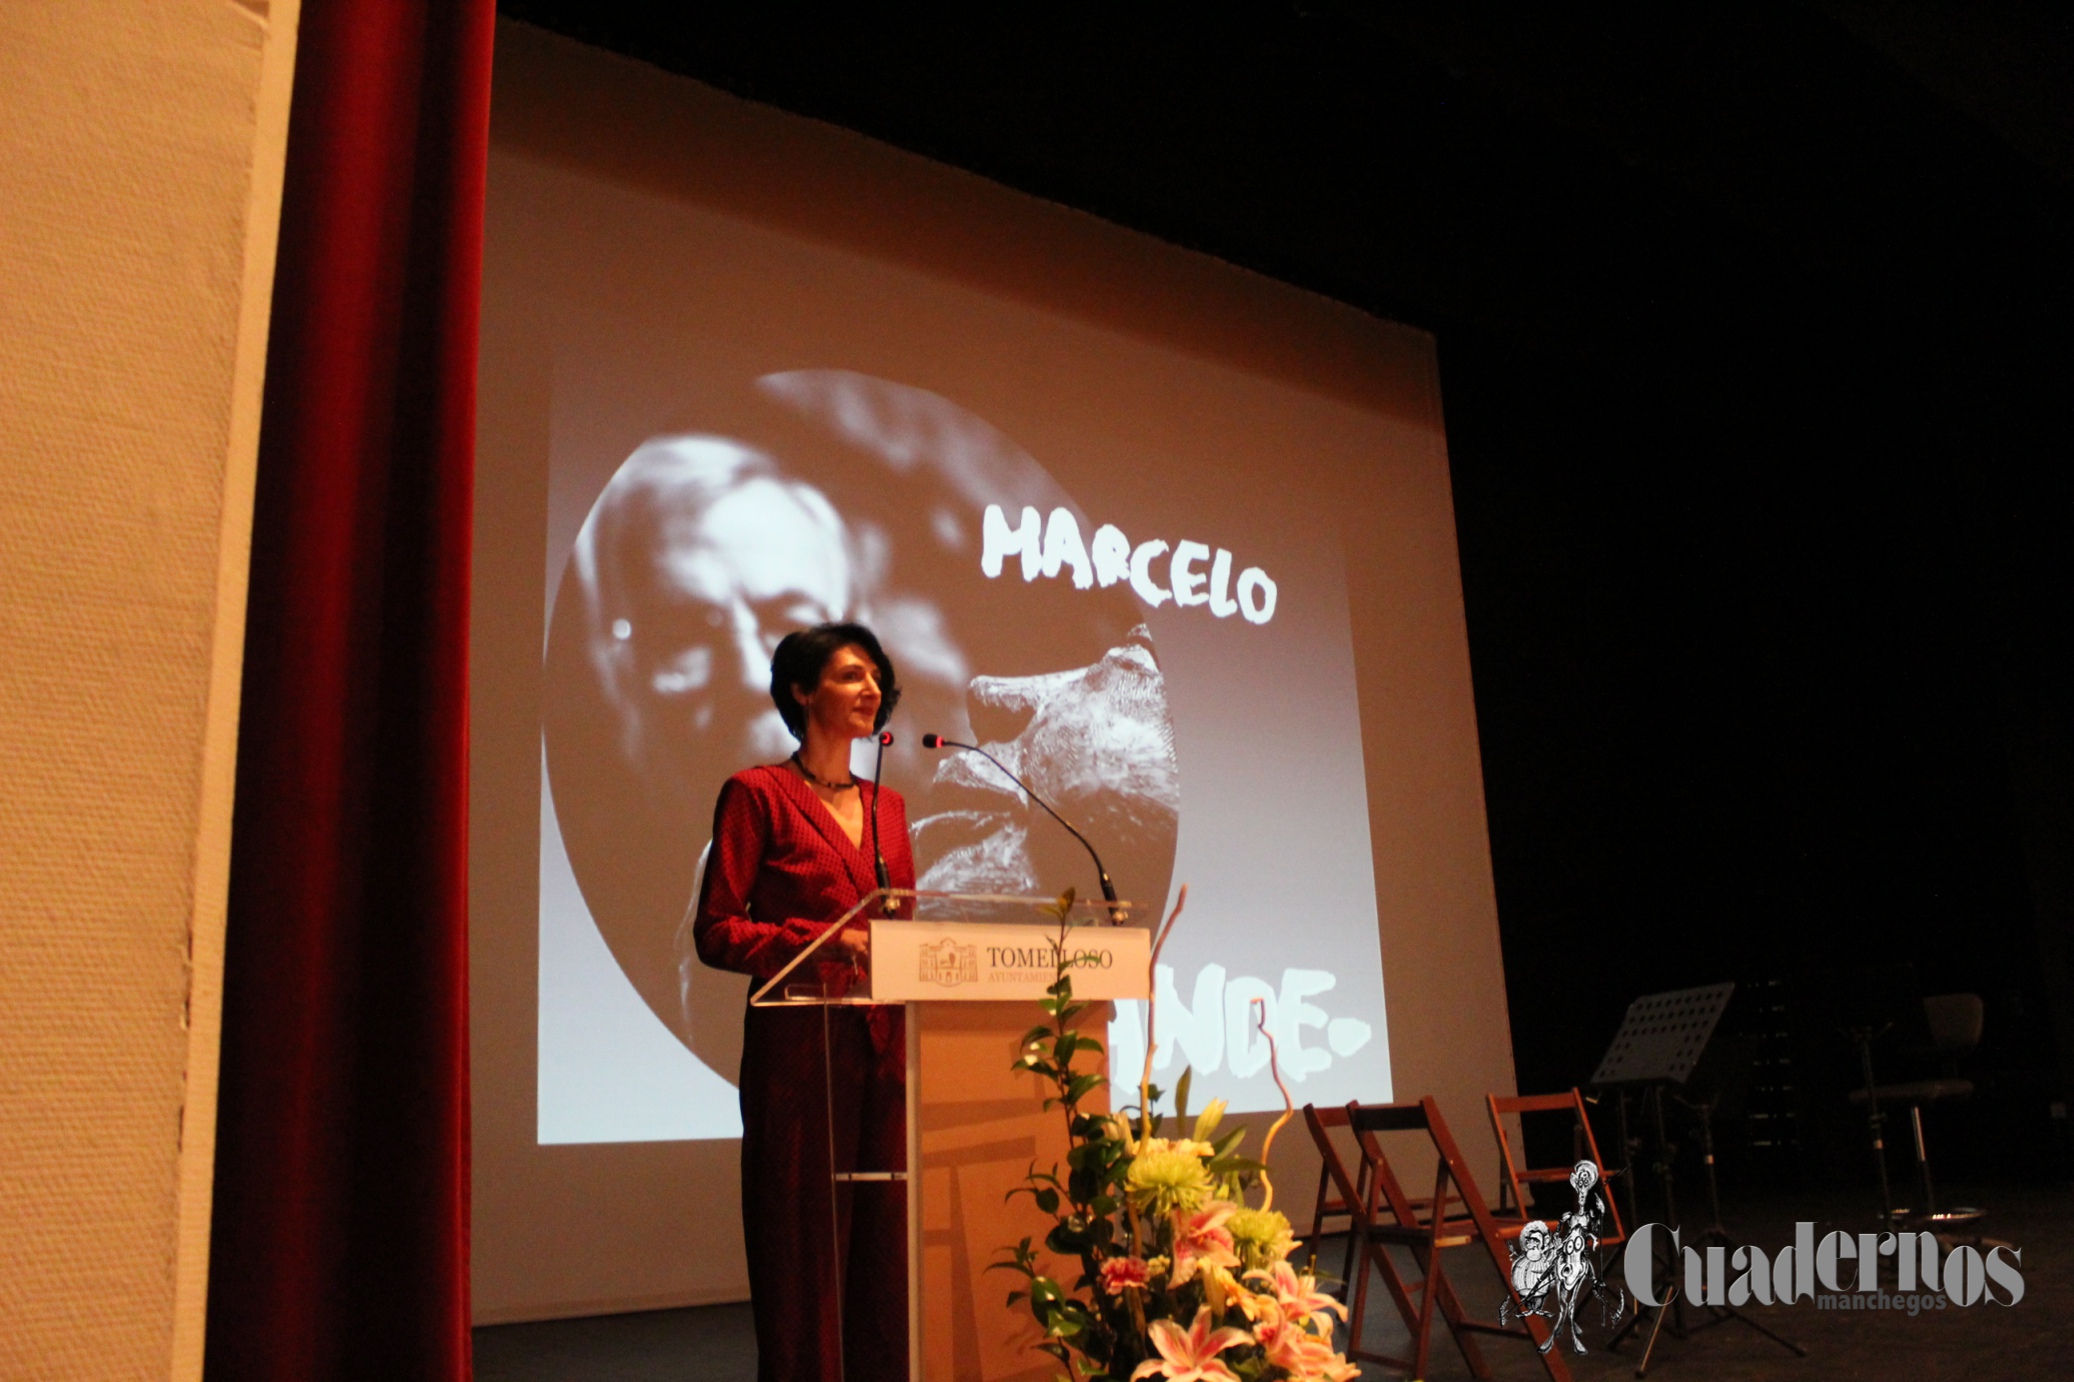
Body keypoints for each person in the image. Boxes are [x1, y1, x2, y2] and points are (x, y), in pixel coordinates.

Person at [692, 622, 914, 1382]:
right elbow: (717, 931)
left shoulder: (891, 810)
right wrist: (817, 942)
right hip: (798, 1061)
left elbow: (902, 930)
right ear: (800, 689)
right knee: (801, 1254)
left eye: (876, 676)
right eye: (852, 675)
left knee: (885, 1257)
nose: (871, 688)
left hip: (886, 1056)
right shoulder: (758, 795)